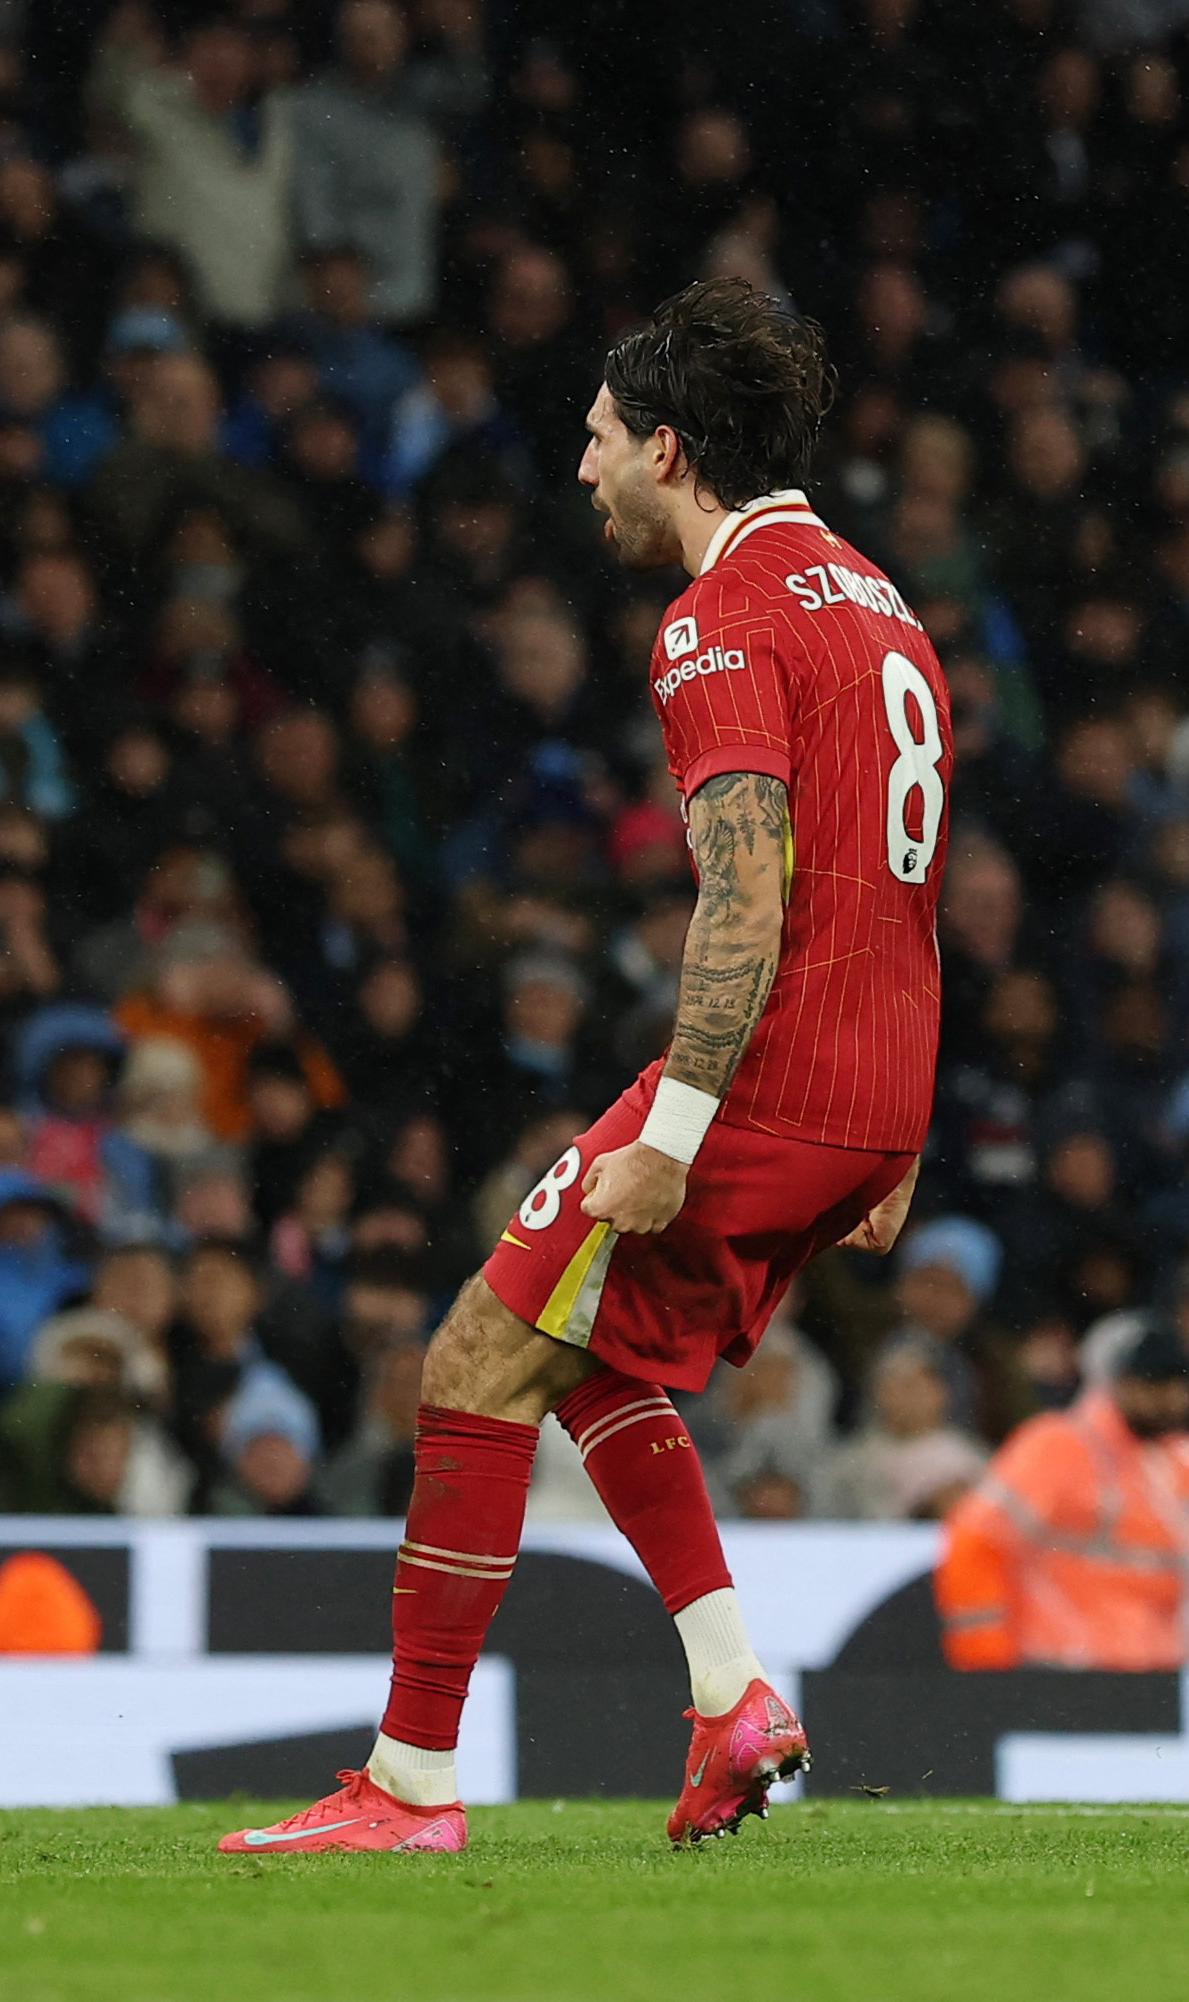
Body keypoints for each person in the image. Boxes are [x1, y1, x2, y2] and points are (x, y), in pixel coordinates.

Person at [225, 279, 951, 1856]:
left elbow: (746, 895)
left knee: (473, 1362)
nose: (582, 470)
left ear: (669, 450)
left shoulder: (717, 622)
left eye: (599, 439)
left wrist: (674, 1129)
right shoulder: (879, 602)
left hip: (764, 1080)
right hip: (870, 1079)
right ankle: (731, 1695)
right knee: (590, 1351)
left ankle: (407, 1784)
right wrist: (900, 1133)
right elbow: (902, 881)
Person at [933, 1325, 1189, 1670]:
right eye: (1152, 1385)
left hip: (1153, 1671)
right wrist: (986, 1656)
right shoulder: (1058, 1446)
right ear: (1118, 1383)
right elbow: (975, 1539)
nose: (1167, 1398)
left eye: (1178, 1385)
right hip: (1056, 1665)